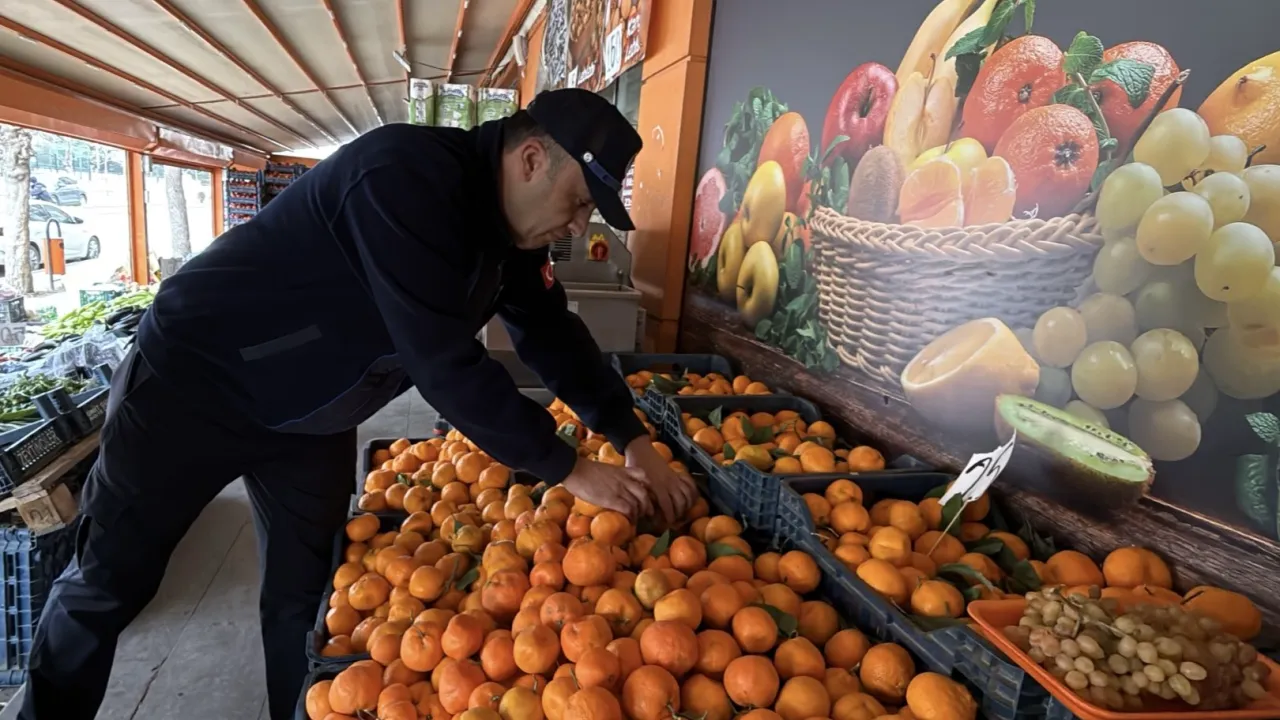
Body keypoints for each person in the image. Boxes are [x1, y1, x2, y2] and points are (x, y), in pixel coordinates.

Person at [21, 88, 698, 720]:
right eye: (578, 202)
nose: (578, 225)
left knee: (306, 592)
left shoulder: (511, 240)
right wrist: (567, 467)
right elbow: (442, 362)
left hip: (309, 416)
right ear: (529, 160)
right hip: (193, 385)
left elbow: (551, 332)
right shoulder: (402, 178)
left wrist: (630, 438)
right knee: (109, 580)